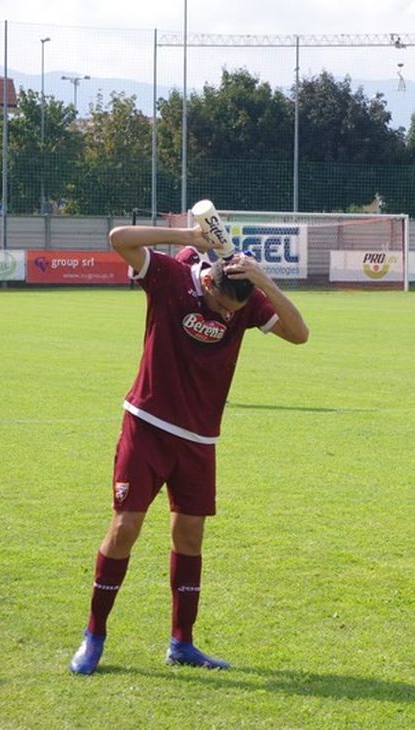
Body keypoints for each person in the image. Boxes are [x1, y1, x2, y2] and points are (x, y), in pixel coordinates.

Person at [68, 223, 309, 675]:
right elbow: (119, 238)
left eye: (234, 312)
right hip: (147, 426)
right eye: (220, 307)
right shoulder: (170, 278)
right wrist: (187, 236)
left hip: (199, 439)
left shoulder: (246, 301)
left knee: (190, 536)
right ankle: (94, 635)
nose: (226, 317)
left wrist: (264, 281)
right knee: (125, 527)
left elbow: (300, 334)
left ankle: (182, 642)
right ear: (209, 282)